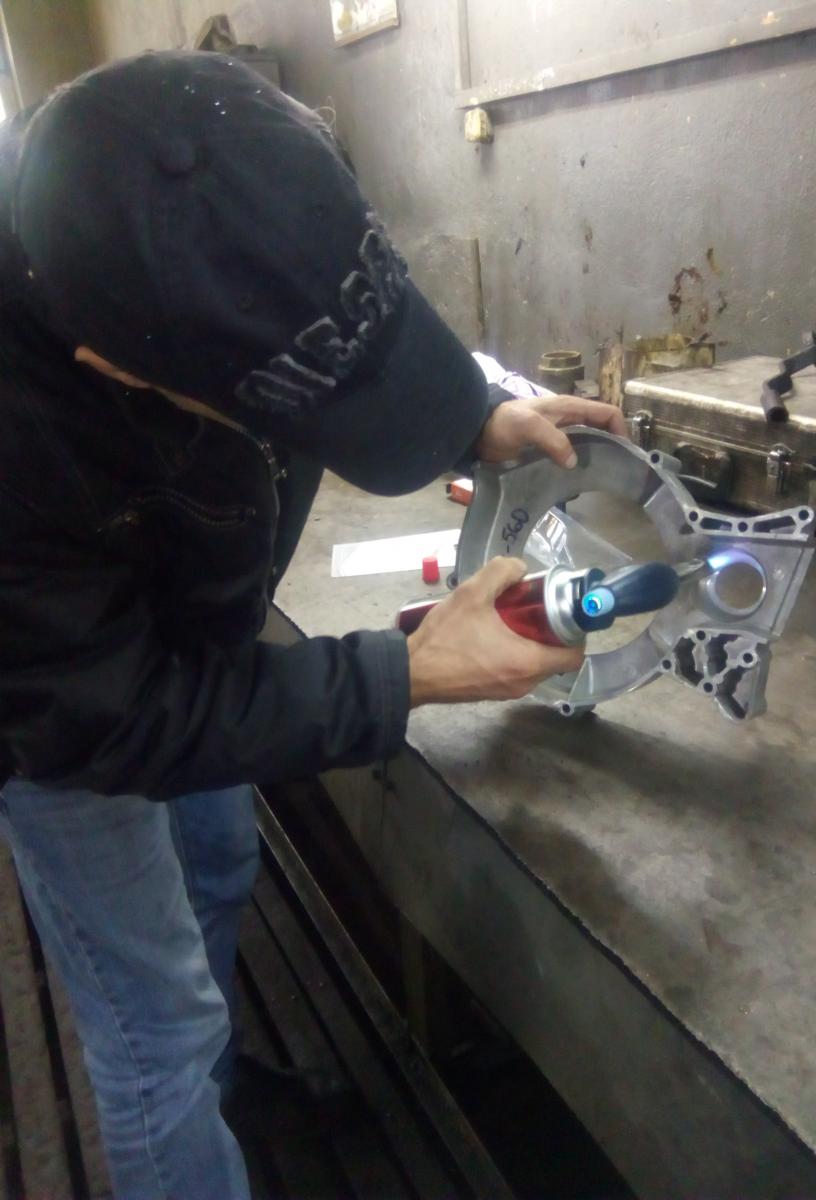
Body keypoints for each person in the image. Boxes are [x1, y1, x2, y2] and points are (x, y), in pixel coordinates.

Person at [0, 51, 625, 1200]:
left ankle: (223, 1088)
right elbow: (105, 716)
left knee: (220, 861)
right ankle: (188, 1112)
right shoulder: (20, 429)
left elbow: (328, 317)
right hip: (66, 710)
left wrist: (466, 409)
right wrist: (406, 673)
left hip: (197, 624)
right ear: (112, 367)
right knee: (155, 1028)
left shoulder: (229, 162)